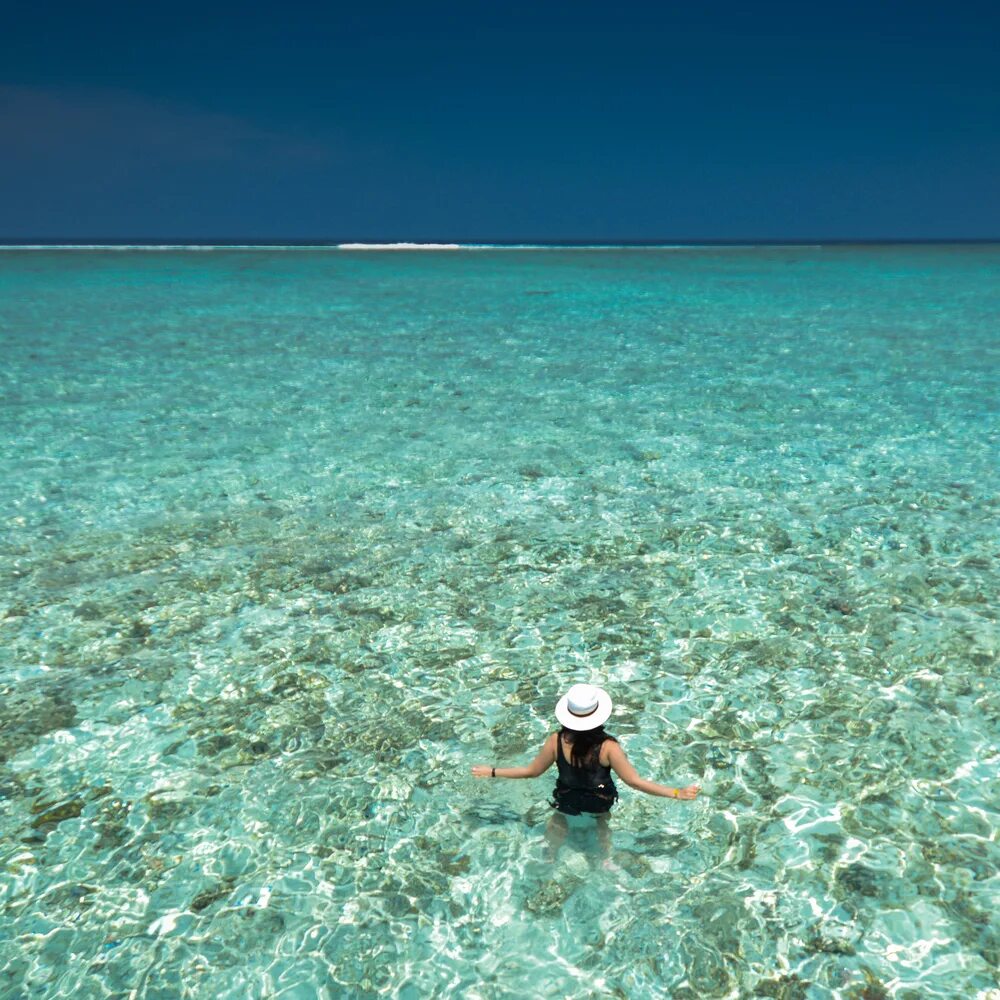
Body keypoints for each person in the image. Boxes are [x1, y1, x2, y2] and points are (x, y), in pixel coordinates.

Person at [471, 683, 700, 860]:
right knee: (602, 824)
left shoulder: (556, 741)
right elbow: (634, 782)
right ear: (599, 714)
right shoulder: (609, 748)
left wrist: (491, 771)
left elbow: (532, 772)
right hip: (599, 800)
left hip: (567, 796)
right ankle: (605, 860)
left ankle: (549, 857)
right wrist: (676, 793)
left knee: (558, 822)